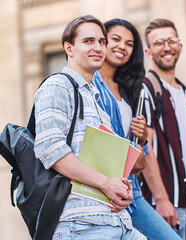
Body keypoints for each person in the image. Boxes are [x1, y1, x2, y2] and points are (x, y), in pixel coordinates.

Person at [33, 15, 145, 239]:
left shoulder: (95, 99)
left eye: (102, 42)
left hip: (116, 221)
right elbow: (50, 150)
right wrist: (106, 183)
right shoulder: (57, 85)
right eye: (88, 41)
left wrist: (121, 188)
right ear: (69, 47)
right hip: (81, 226)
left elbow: (111, 163)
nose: (98, 47)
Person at [92, 18, 181, 240]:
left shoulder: (131, 90)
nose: (122, 46)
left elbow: (140, 158)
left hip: (132, 189)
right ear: (102, 41)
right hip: (100, 187)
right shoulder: (90, 84)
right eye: (116, 39)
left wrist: (141, 140)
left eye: (129, 43)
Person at [141, 18, 186, 240]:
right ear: (149, 52)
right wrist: (161, 199)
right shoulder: (147, 89)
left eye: (171, 40)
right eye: (159, 42)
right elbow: (145, 148)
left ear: (180, 46)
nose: (166, 47)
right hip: (172, 202)